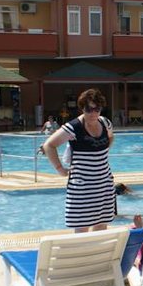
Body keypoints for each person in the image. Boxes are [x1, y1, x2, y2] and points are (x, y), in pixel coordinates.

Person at [42, 89, 116, 233]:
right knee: (82, 229)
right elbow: (49, 145)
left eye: (97, 109)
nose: (93, 113)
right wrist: (60, 169)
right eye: (89, 109)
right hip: (82, 188)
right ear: (82, 108)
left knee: (102, 225)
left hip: (104, 184)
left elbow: (111, 137)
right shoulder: (73, 127)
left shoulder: (105, 123)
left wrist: (101, 155)